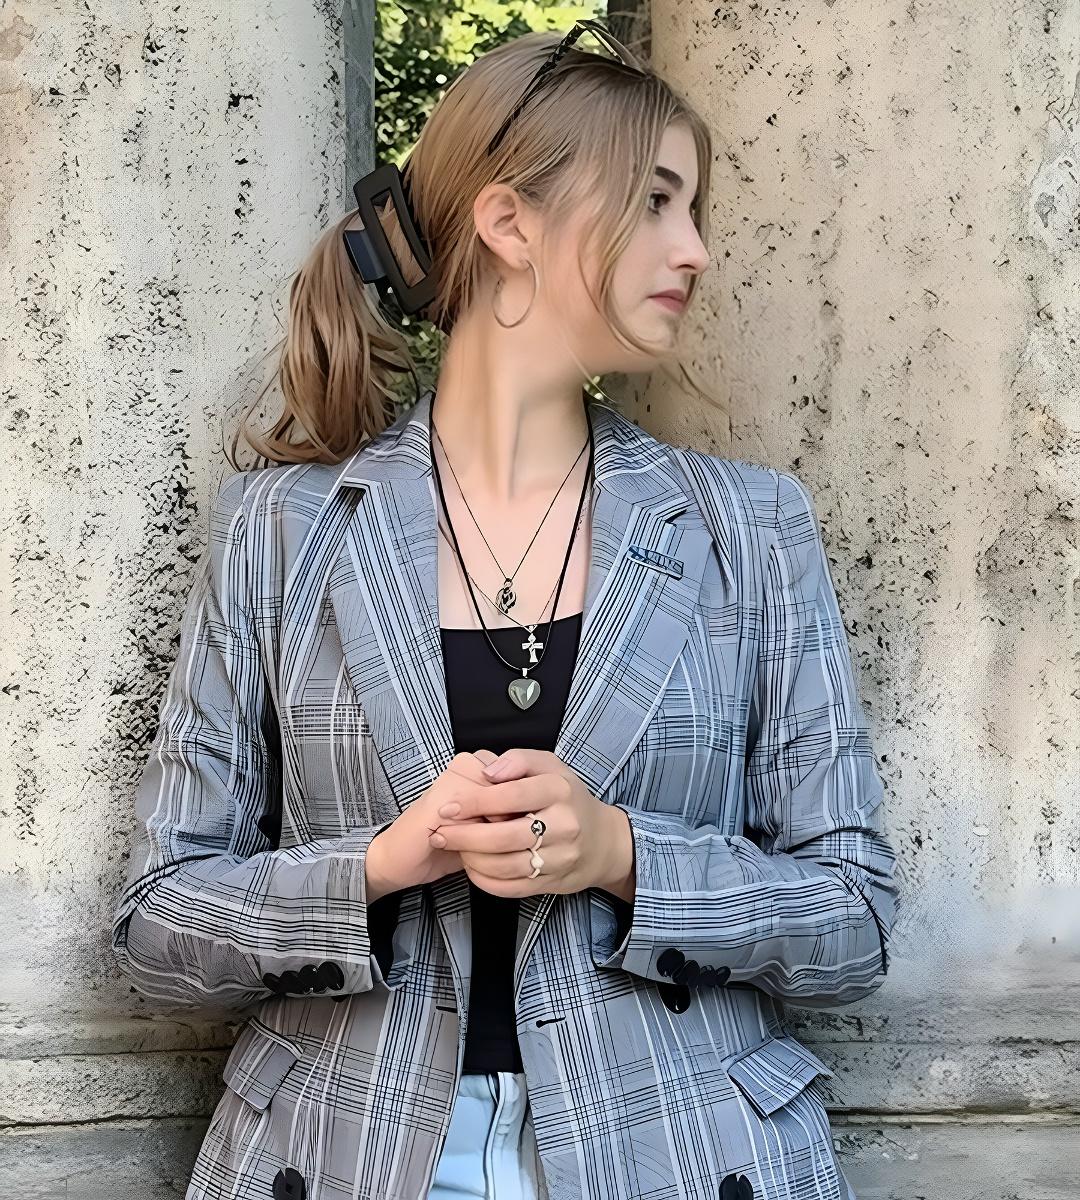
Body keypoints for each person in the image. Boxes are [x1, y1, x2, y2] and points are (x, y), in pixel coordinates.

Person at [111, 21, 897, 1200]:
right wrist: (380, 864)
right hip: (343, 1154)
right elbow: (156, 923)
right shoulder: (280, 530)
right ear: (509, 222)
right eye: (656, 201)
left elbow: (856, 919)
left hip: (679, 1155)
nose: (694, 250)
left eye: (695, 210)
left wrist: (623, 855)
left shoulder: (749, 527)